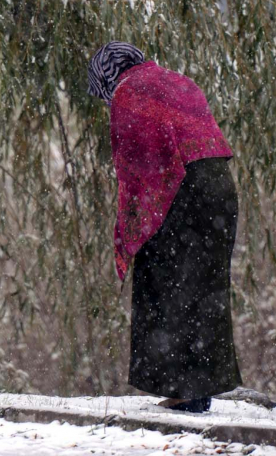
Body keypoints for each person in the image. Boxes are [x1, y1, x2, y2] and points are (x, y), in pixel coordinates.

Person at [87, 42, 242, 414]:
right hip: (219, 188)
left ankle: (184, 391)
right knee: (206, 288)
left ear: (108, 77)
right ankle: (199, 387)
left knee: (165, 283)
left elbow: (138, 169)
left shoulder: (128, 93)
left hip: (180, 192)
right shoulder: (178, 81)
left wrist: (131, 228)